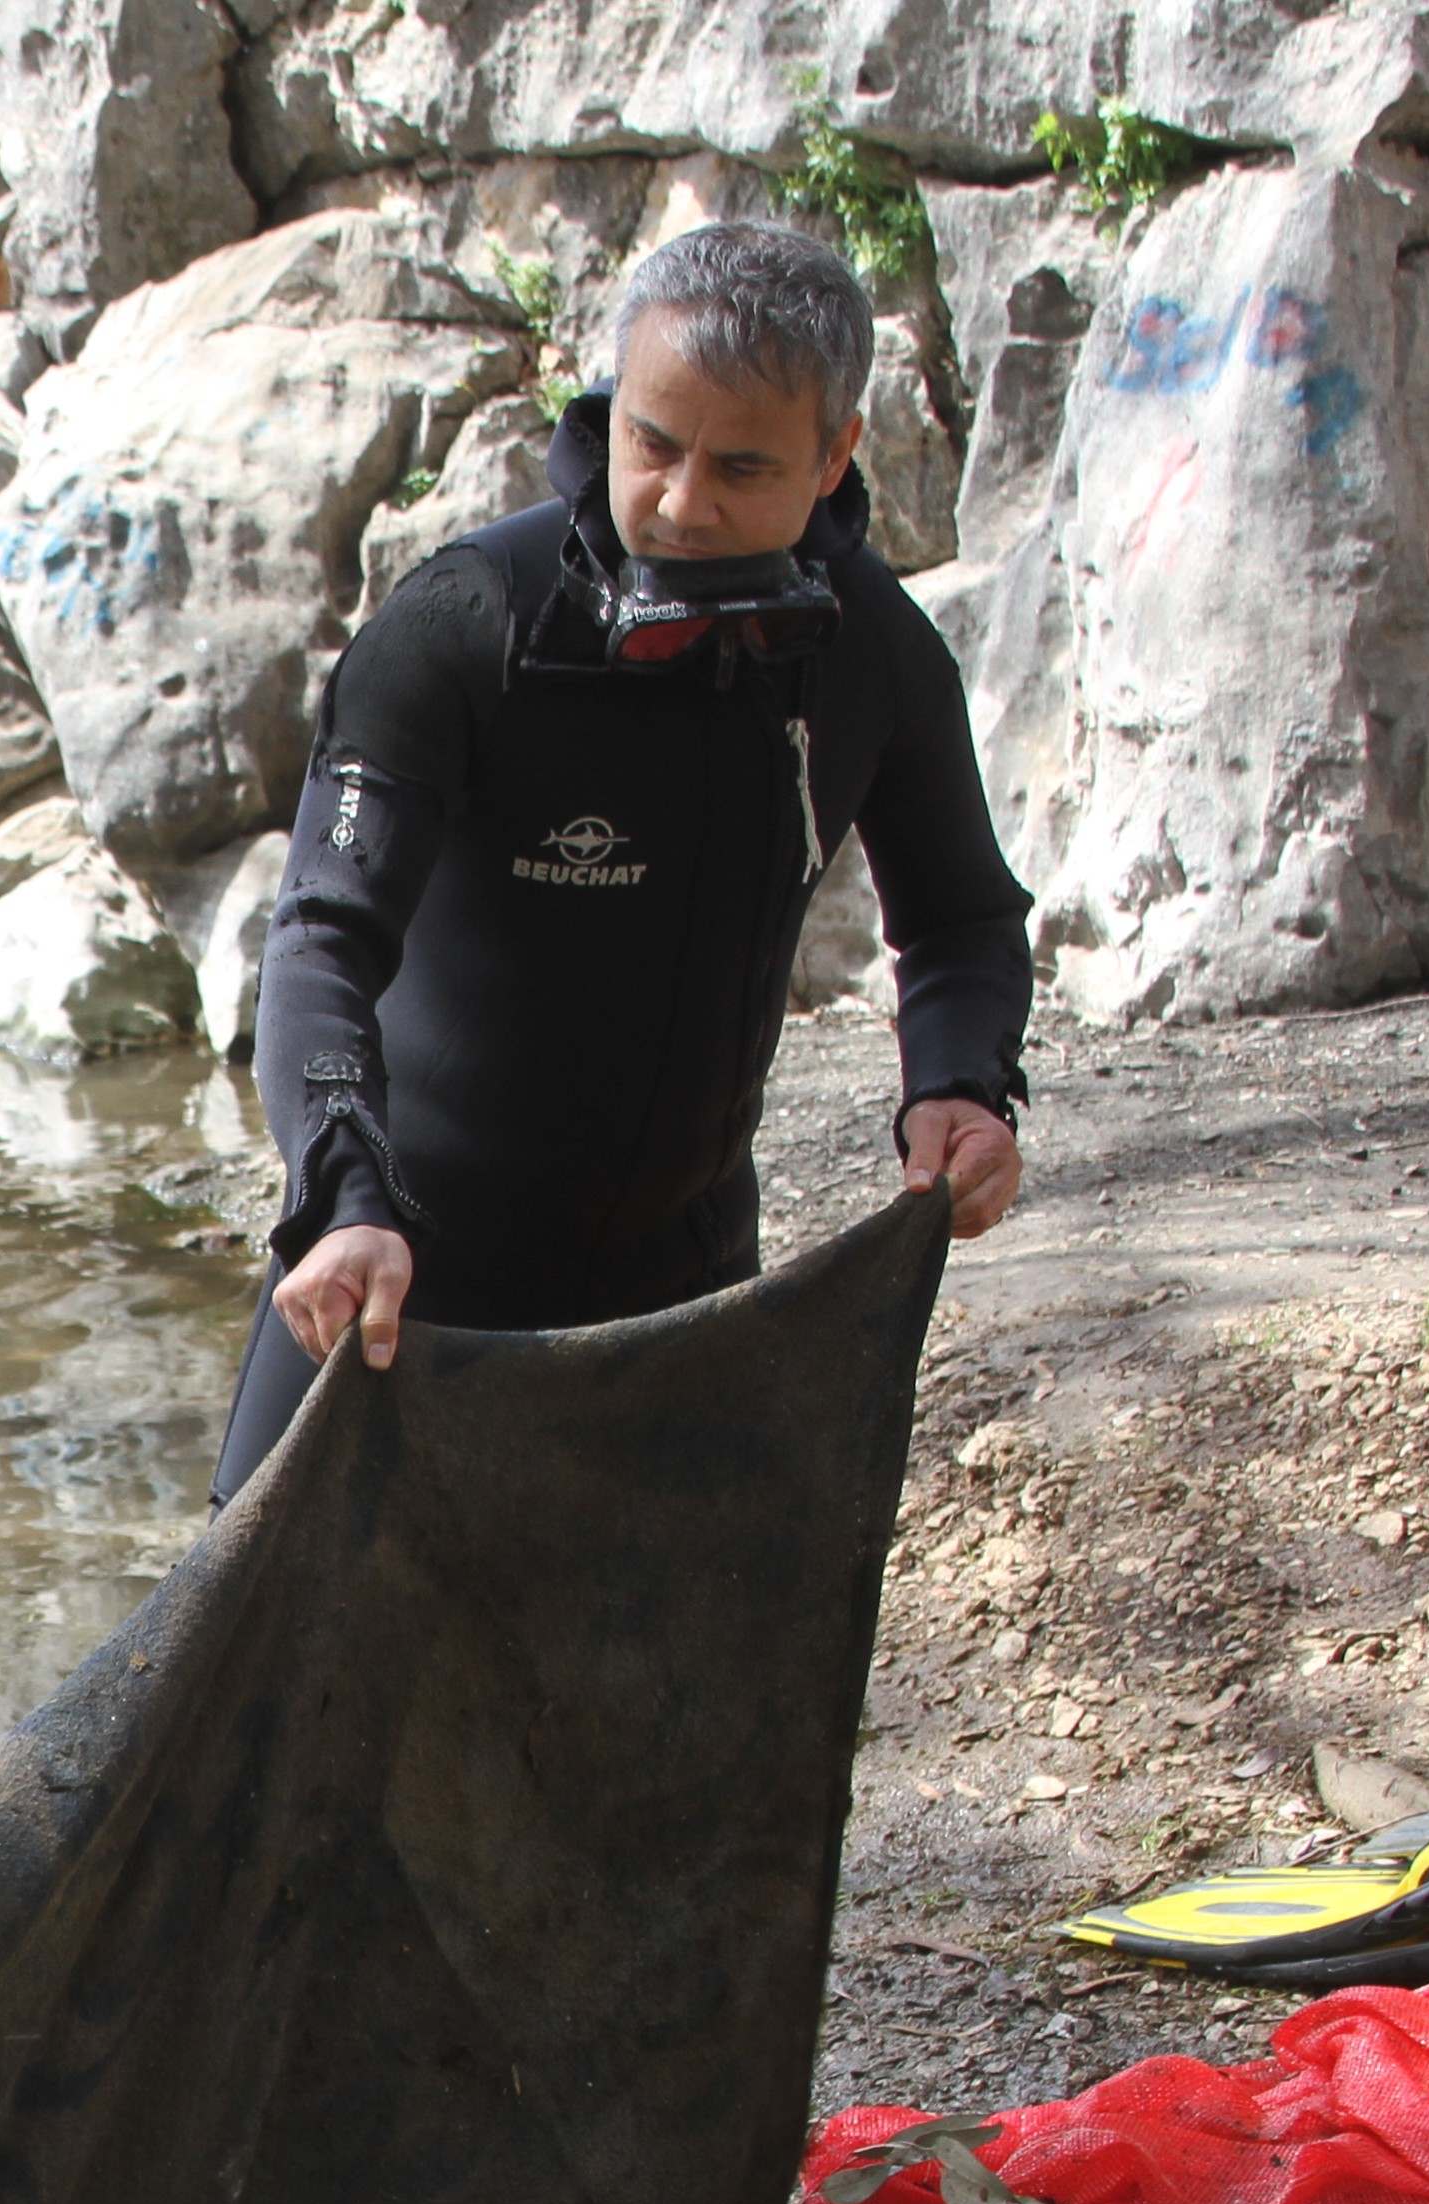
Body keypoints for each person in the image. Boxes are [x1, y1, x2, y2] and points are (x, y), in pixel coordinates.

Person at [219, 215, 1032, 1497]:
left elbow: (962, 920)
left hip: (681, 1296)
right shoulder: (465, 626)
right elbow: (322, 938)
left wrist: (962, 1082)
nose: (680, 504)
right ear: (609, 412)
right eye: (651, 445)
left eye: (743, 468)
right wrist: (342, 1193)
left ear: (835, 460)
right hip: (392, 1284)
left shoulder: (870, 651)